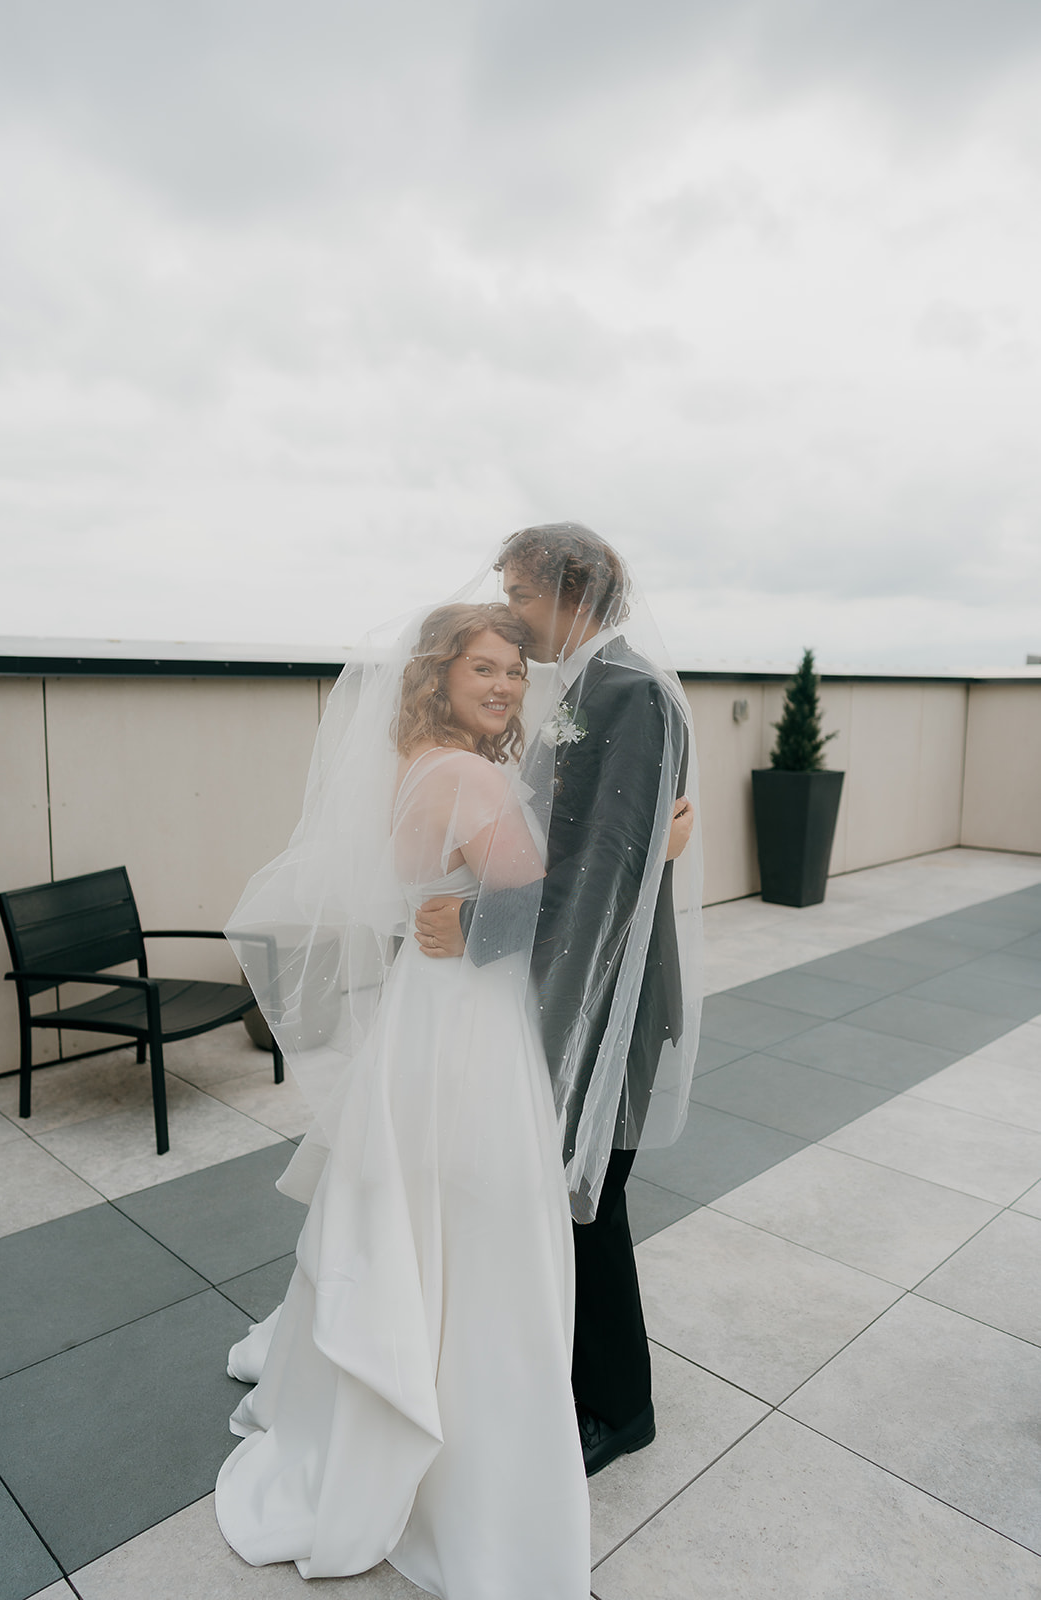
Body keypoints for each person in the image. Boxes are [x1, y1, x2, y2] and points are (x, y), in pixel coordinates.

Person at [216, 602, 591, 1598]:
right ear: (440, 672)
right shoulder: (469, 773)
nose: (506, 685)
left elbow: (455, 892)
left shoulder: (411, 763)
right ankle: (468, 1427)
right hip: (469, 1017)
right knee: (478, 1215)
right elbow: (541, 906)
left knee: (415, 1202)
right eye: (484, 667)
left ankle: (391, 1364)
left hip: (425, 1013)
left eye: (515, 669)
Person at [415, 524, 703, 1478]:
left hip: (605, 991)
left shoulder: (628, 694)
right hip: (571, 978)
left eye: (521, 598)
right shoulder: (585, 689)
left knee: (593, 1200)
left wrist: (482, 928)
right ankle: (572, 1381)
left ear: (568, 593)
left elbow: (600, 875)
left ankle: (619, 1410)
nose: (515, 616)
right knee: (564, 1196)